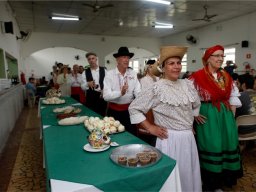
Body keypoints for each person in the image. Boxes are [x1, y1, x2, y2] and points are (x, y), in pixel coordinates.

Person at [129, 46, 202, 192]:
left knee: (188, 173)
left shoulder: (187, 84)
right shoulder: (156, 88)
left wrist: (190, 121)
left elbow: (196, 104)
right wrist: (150, 127)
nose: (176, 67)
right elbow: (134, 108)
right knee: (172, 177)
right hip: (169, 139)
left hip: (188, 138)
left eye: (178, 63)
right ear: (162, 67)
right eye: (171, 63)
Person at [189, 45, 242, 191]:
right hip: (208, 115)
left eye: (222, 56)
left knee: (227, 143)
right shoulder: (196, 77)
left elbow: (233, 96)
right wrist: (194, 114)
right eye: (216, 56)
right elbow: (188, 99)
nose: (220, 59)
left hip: (225, 115)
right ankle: (211, 184)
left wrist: (231, 116)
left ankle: (223, 181)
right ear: (207, 59)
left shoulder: (225, 76)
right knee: (211, 145)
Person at [103, 47, 141, 136]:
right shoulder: (109, 74)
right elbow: (106, 96)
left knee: (132, 136)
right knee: (114, 136)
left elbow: (138, 92)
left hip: (129, 111)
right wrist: (120, 93)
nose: (126, 60)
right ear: (117, 59)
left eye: (128, 57)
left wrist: (144, 99)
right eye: (124, 57)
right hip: (114, 112)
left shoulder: (133, 73)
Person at [136, 59, 159, 146]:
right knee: (148, 131)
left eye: (154, 67)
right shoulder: (144, 80)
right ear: (147, 68)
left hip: (157, 108)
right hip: (148, 108)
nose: (152, 69)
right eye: (150, 67)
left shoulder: (158, 78)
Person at [81, 52, 107, 116]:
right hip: (91, 96)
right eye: (89, 59)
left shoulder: (104, 70)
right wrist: (87, 84)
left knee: (102, 114)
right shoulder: (85, 72)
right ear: (88, 60)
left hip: (102, 96)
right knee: (91, 115)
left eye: (93, 58)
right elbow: (82, 87)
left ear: (96, 59)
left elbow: (108, 83)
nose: (91, 60)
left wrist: (105, 90)